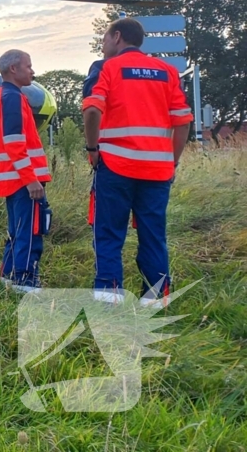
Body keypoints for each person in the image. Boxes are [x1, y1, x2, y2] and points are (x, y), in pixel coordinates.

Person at [82, 18, 192, 306]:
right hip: (157, 170)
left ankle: (109, 292)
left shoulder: (107, 68)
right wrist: (173, 162)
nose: (103, 44)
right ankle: (156, 296)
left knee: (108, 231)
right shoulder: (168, 71)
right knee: (153, 233)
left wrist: (92, 148)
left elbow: (92, 111)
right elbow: (182, 123)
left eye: (105, 38)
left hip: (116, 166)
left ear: (117, 37)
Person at [0, 49, 52, 293]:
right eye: (29, 66)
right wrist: (31, 180)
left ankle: (9, 275)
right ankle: (25, 280)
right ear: (13, 69)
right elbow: (14, 142)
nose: (32, 71)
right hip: (22, 180)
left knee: (17, 229)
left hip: (12, 179)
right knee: (31, 229)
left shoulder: (3, 96)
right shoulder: (12, 97)